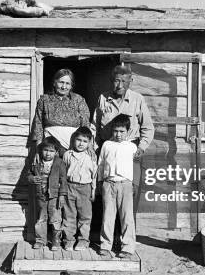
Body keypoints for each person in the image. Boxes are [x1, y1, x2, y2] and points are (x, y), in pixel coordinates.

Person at [92, 65, 154, 209]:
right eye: (116, 81)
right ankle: (109, 231)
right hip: (109, 150)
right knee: (108, 196)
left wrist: (141, 148)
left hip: (130, 152)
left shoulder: (137, 99)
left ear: (130, 81)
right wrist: (95, 148)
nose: (119, 85)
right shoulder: (103, 98)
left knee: (131, 194)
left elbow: (148, 127)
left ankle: (128, 230)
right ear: (111, 81)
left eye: (123, 81)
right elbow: (94, 126)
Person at [97, 114, 137, 259]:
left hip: (125, 184)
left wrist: (134, 184)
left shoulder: (132, 147)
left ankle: (127, 246)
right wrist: (100, 182)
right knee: (108, 216)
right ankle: (105, 245)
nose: (118, 134)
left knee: (126, 217)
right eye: (116, 131)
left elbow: (136, 166)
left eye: (122, 131)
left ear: (128, 131)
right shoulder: (107, 145)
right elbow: (101, 164)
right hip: (108, 183)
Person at [30, 69, 91, 154]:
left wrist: (88, 148)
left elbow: (85, 125)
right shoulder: (44, 100)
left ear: (71, 86)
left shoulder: (79, 100)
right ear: (54, 83)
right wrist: (38, 149)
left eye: (67, 83)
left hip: (74, 148)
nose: (64, 86)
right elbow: (38, 125)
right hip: (51, 149)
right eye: (61, 82)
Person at [27, 137, 68, 250]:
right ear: (41, 150)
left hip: (54, 196)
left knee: (55, 218)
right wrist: (32, 178)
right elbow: (29, 174)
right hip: (40, 195)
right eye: (46, 150)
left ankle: (56, 240)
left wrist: (62, 195)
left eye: (51, 151)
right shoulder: (37, 161)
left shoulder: (59, 163)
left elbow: (63, 180)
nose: (48, 153)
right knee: (41, 218)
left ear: (56, 152)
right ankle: (41, 240)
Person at [61, 126, 97, 251]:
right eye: (79, 140)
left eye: (85, 141)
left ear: (89, 143)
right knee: (69, 215)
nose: (81, 143)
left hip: (85, 188)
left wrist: (93, 190)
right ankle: (69, 240)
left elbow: (94, 176)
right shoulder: (67, 154)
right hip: (70, 186)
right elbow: (63, 172)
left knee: (85, 216)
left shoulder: (91, 157)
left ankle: (83, 241)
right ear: (74, 140)